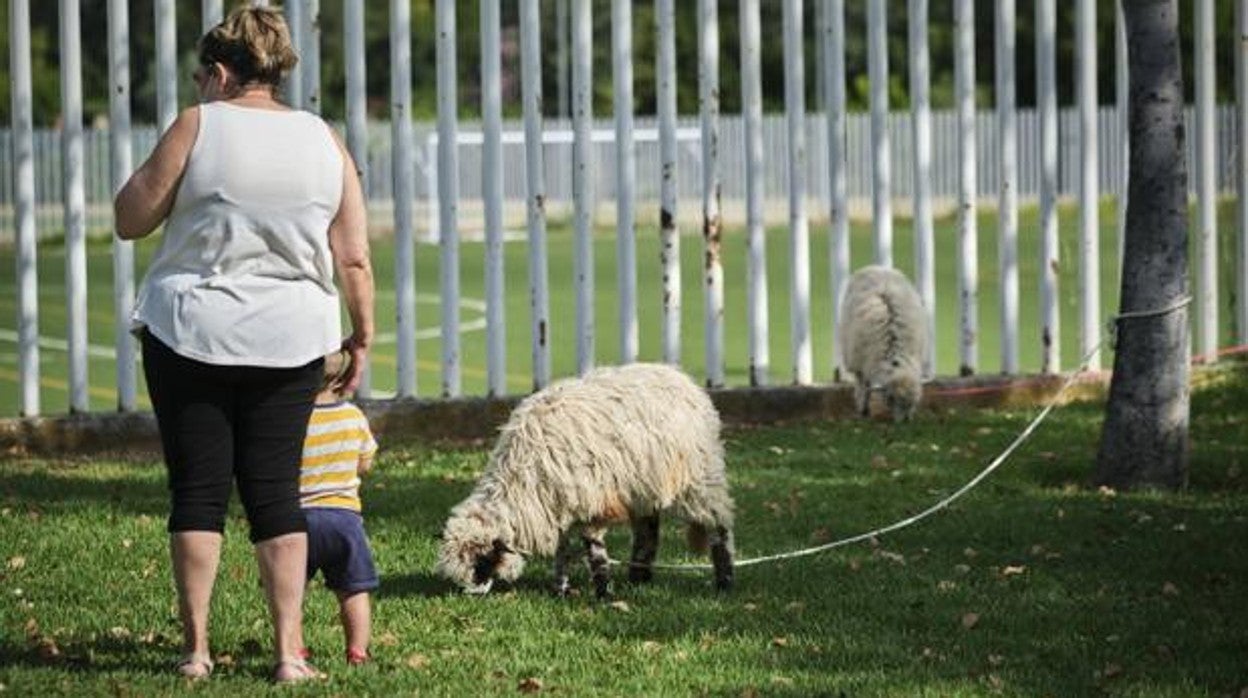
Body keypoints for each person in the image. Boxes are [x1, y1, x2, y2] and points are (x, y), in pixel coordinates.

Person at [113, 6, 373, 684]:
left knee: (197, 492)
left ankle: (196, 649)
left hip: (189, 330)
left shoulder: (199, 124)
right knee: (276, 494)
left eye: (203, 75)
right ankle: (289, 653)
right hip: (291, 336)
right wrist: (363, 334)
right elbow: (352, 257)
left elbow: (130, 216)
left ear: (220, 73)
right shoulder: (324, 139)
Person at [300, 350, 379, 666]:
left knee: (293, 589)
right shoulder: (353, 416)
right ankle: (357, 651)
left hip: (297, 518)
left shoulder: (292, 418)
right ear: (343, 376)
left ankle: (294, 648)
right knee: (353, 589)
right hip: (344, 519)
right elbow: (365, 461)